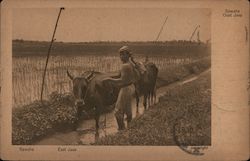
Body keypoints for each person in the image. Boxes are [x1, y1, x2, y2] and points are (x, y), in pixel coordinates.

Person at [103, 46, 138, 130]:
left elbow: (122, 81)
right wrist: (111, 77)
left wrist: (109, 79)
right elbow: (124, 77)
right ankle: (129, 126)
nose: (121, 56)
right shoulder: (131, 64)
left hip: (125, 88)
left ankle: (121, 129)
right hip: (131, 87)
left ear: (127, 55)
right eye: (120, 54)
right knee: (127, 108)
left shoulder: (125, 66)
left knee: (117, 112)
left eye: (123, 54)